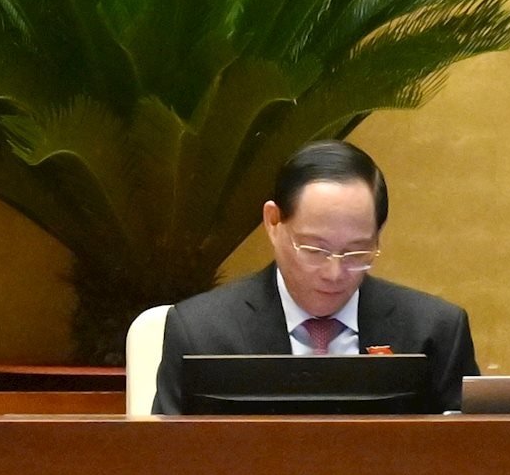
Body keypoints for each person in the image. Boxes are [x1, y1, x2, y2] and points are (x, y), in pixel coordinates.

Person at [153, 140, 477, 414]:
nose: (334, 273)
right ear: (273, 222)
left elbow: (474, 454)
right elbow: (164, 458)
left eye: (356, 252)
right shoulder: (201, 334)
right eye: (314, 249)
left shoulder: (435, 332)